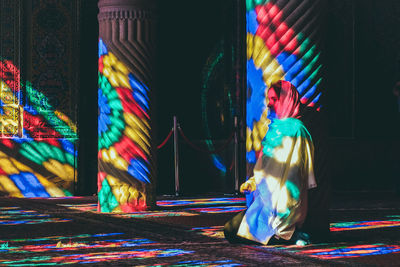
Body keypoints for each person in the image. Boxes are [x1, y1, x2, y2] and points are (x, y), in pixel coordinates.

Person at [224, 80, 317, 245]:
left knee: (240, 232)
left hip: (283, 208)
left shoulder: (296, 130)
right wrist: (253, 183)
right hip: (265, 203)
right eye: (269, 99)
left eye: (274, 99)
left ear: (286, 100)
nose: (269, 104)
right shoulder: (274, 129)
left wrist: (284, 212)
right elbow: (265, 168)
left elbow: (295, 178)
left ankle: (287, 234)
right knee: (231, 230)